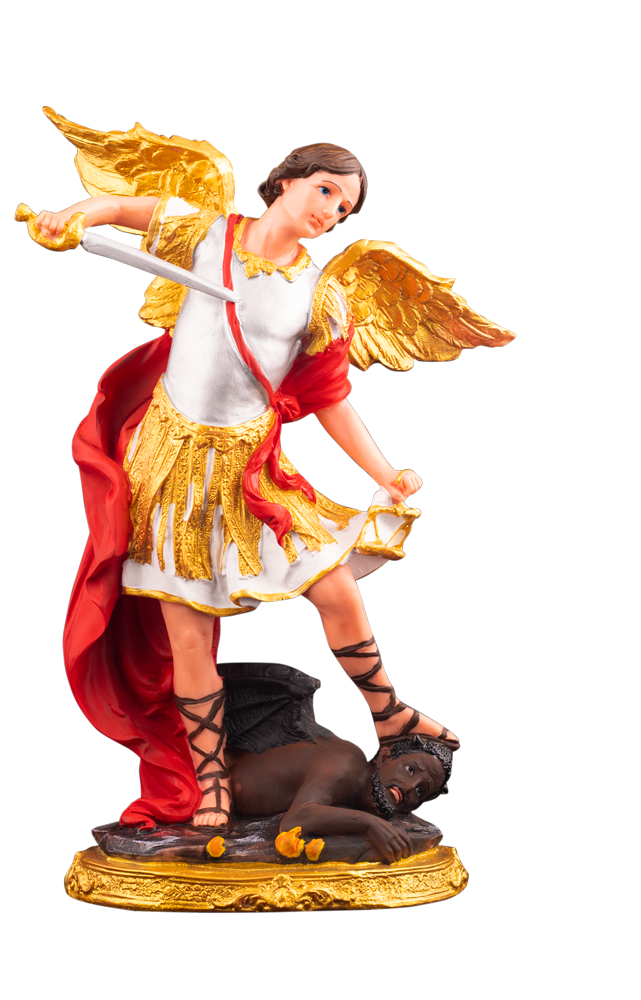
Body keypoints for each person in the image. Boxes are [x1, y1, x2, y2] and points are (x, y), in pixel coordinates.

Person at [25, 111, 512, 832]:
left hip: (252, 468)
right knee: (188, 630)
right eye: (324, 191)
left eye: (343, 207)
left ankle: (388, 713)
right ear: (286, 182)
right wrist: (72, 218)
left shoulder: (320, 295)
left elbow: (327, 398)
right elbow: (124, 207)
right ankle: (211, 782)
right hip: (172, 463)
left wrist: (386, 472)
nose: (330, 211)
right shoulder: (205, 233)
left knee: (335, 586)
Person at [226, 733, 450, 864]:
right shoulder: (344, 765)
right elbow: (295, 820)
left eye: (420, 791)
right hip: (218, 784)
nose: (409, 787)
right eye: (410, 770)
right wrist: (369, 824)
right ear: (384, 757)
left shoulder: (360, 792)